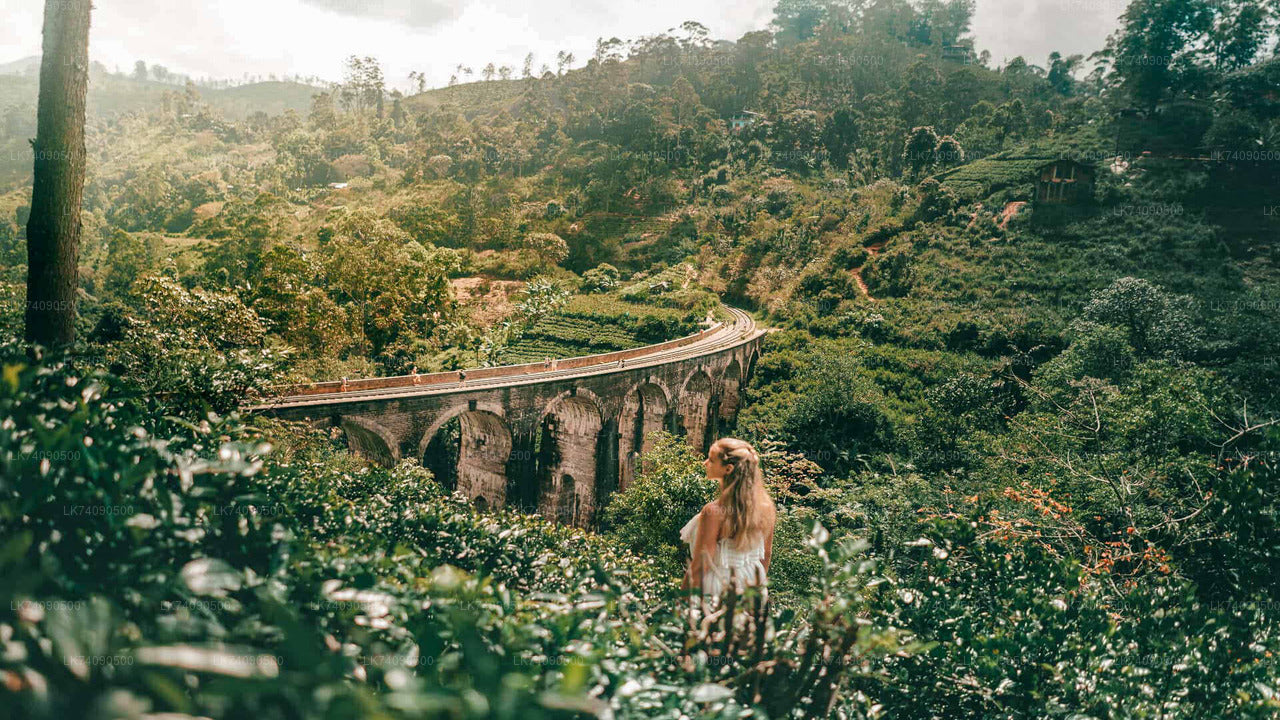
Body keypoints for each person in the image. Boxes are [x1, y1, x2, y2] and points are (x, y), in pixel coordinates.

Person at [680, 438, 776, 606]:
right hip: (752, 587)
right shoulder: (766, 507)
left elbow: (701, 566)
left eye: (711, 460)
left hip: (717, 589)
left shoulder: (714, 512)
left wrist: (680, 603)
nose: (705, 463)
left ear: (728, 469)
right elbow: (766, 556)